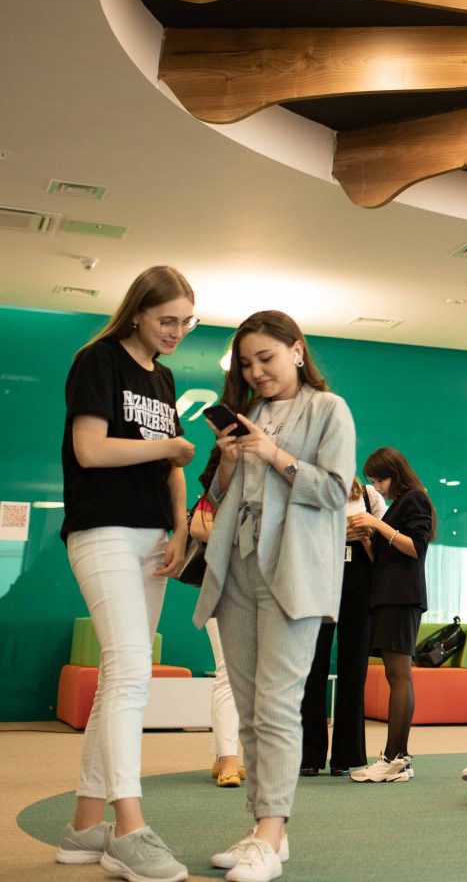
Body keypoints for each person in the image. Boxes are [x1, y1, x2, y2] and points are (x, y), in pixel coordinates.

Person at [195, 311, 356, 882]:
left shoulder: (328, 409)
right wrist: (229, 461)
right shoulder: (250, 414)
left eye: (265, 358)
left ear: (296, 350)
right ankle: (265, 831)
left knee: (278, 705)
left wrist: (274, 455)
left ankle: (271, 830)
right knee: (248, 707)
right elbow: (219, 500)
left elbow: (335, 491)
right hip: (236, 566)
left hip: (294, 572)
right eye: (246, 364)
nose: (256, 372)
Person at [55, 266, 197, 882]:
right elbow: (90, 449)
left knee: (121, 676)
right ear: (137, 311)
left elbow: (174, 469)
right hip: (102, 530)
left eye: (186, 322)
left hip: (153, 537)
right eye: (167, 320)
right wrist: (168, 447)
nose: (176, 332)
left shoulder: (163, 379)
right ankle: (129, 828)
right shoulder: (98, 360)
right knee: (133, 671)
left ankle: (85, 826)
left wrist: (181, 531)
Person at [348, 447, 435, 784]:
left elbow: (416, 548)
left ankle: (394, 757)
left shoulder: (415, 498)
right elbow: (385, 560)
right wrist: (367, 538)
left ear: (394, 474)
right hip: (389, 598)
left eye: (379, 480)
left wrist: (375, 524)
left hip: (402, 598)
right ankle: (399, 758)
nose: (377, 487)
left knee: (399, 677)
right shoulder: (400, 503)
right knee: (395, 676)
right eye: (372, 481)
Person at [299, 477, 383, 777]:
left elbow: (384, 552)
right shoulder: (310, 490)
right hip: (318, 581)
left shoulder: (370, 496)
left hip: (359, 583)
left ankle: (345, 756)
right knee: (312, 668)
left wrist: (365, 535)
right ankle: (309, 755)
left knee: (354, 669)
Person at [188, 459, 244, 789]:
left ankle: (222, 755)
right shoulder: (216, 493)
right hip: (222, 590)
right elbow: (197, 528)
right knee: (228, 672)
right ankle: (229, 759)